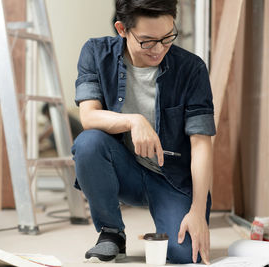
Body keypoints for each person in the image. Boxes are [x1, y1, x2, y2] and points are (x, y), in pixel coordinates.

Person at [71, 0, 215, 264]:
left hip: (173, 179)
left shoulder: (192, 69)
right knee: (88, 143)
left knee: (184, 255)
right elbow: (88, 116)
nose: (159, 49)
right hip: (125, 171)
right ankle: (111, 233)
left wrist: (196, 210)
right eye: (147, 41)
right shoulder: (95, 52)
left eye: (168, 37)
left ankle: (175, 215)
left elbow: (201, 144)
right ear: (122, 29)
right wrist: (134, 121)